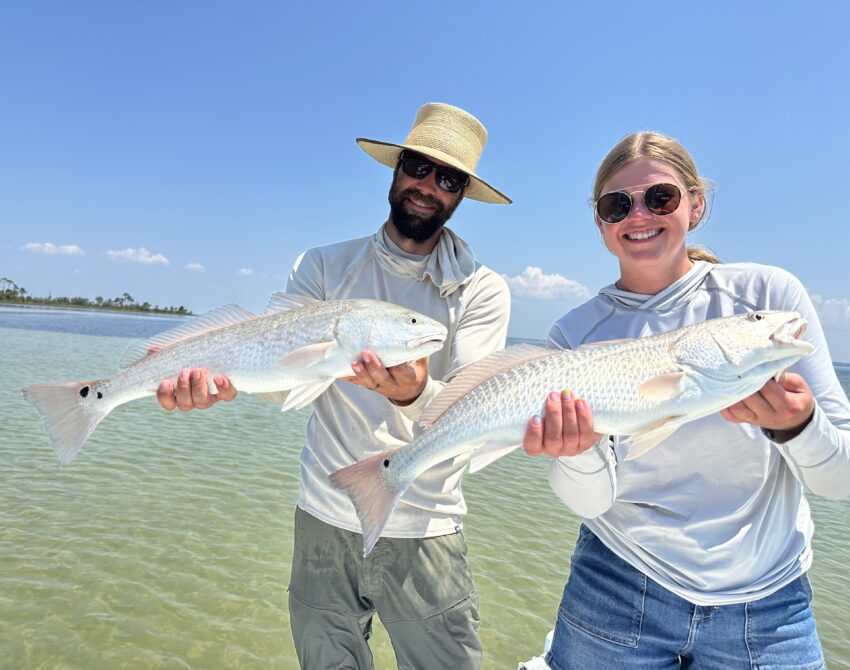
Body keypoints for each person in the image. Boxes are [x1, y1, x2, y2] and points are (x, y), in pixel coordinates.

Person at [156, 102, 512, 669]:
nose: (427, 186)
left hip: (425, 522)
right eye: (418, 167)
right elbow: (282, 380)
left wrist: (412, 393)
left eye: (447, 179)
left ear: (462, 193)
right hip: (323, 513)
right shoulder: (323, 265)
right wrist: (219, 386)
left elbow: (479, 409)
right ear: (396, 168)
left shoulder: (482, 290)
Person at [522, 131, 850, 669]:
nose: (639, 214)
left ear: (696, 205)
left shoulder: (769, 295)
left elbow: (839, 482)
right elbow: (590, 504)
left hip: (771, 605)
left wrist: (800, 426)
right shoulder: (573, 334)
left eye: (661, 198)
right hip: (616, 585)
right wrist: (577, 450)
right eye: (617, 204)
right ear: (600, 221)